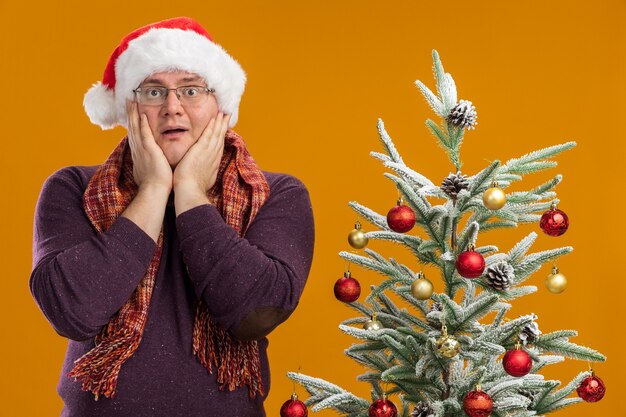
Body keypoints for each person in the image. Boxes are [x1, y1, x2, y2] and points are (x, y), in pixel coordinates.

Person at [29, 17, 314, 417]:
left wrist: (192, 194)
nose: (172, 106)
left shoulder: (274, 194)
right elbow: (72, 311)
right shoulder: (73, 188)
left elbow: (256, 310)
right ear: (130, 108)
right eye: (153, 91)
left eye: (191, 89)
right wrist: (151, 191)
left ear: (222, 107)